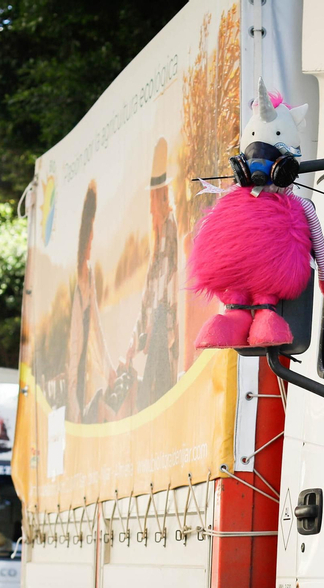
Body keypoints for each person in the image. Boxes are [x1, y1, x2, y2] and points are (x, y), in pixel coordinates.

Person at [133, 138, 181, 412]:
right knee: (149, 395)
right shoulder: (161, 231)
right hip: (157, 322)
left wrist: (153, 326)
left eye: (152, 198)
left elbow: (166, 281)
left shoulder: (170, 228)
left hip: (163, 323)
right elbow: (149, 291)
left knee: (154, 395)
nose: (150, 207)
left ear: (160, 197)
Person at [65, 182, 111, 423]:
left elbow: (96, 329)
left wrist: (109, 368)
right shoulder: (77, 275)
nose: (93, 236)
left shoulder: (87, 273)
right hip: (75, 373)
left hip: (82, 373)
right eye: (91, 228)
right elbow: (77, 339)